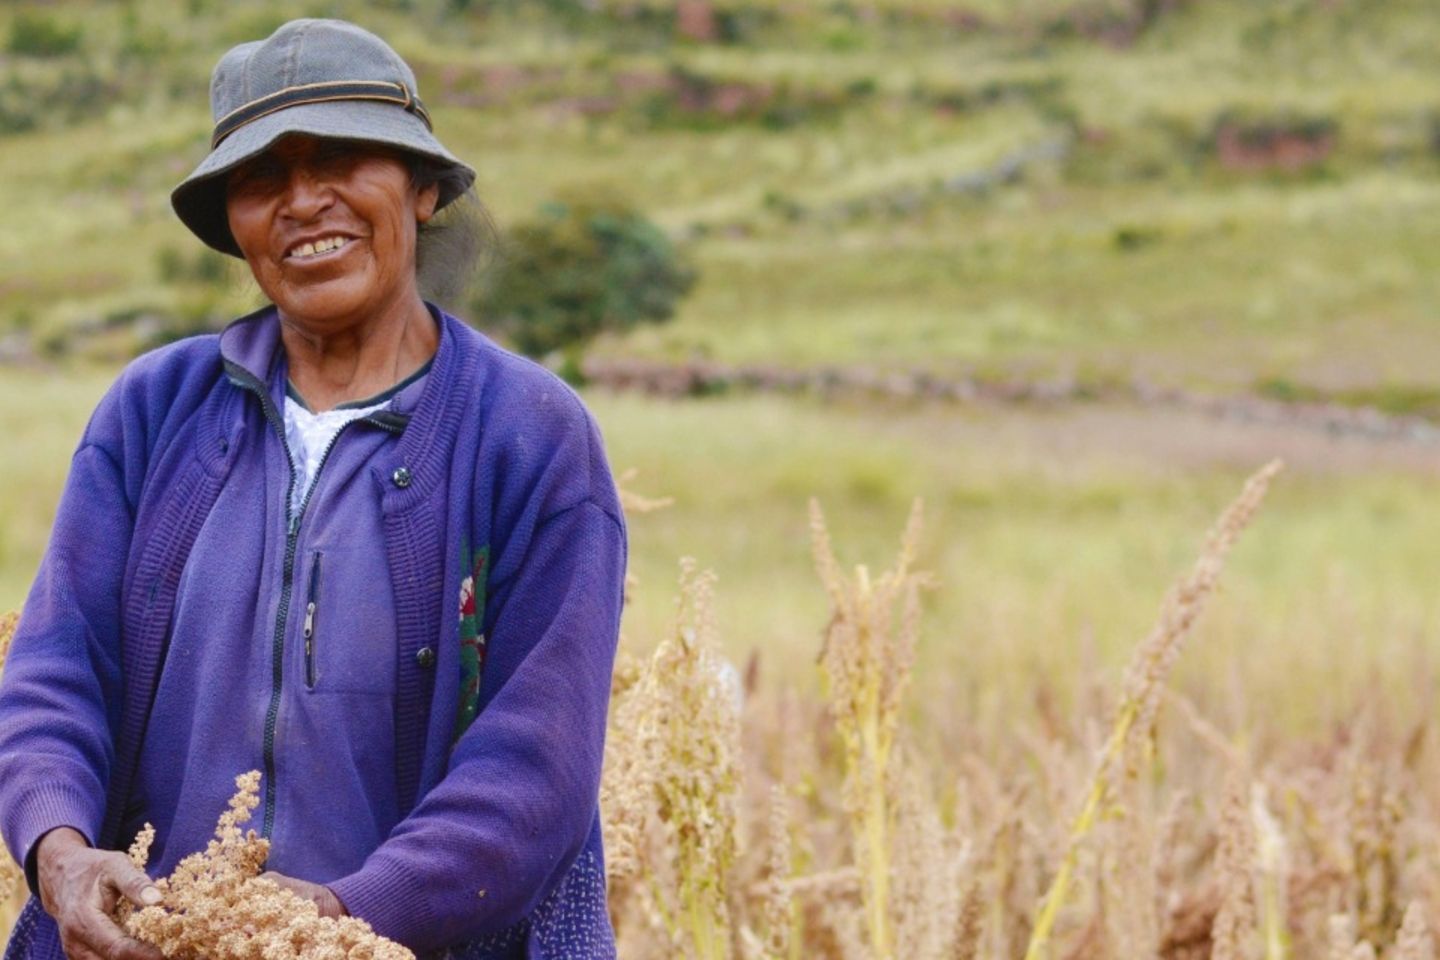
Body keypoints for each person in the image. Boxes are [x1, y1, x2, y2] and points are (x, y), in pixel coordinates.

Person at [0, 18, 626, 960]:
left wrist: (335, 920)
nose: (303, 201)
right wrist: (59, 848)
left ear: (422, 187)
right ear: (233, 222)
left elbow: (537, 766)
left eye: (340, 159)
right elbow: (58, 671)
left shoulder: (528, 436)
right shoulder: (154, 410)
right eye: (262, 179)